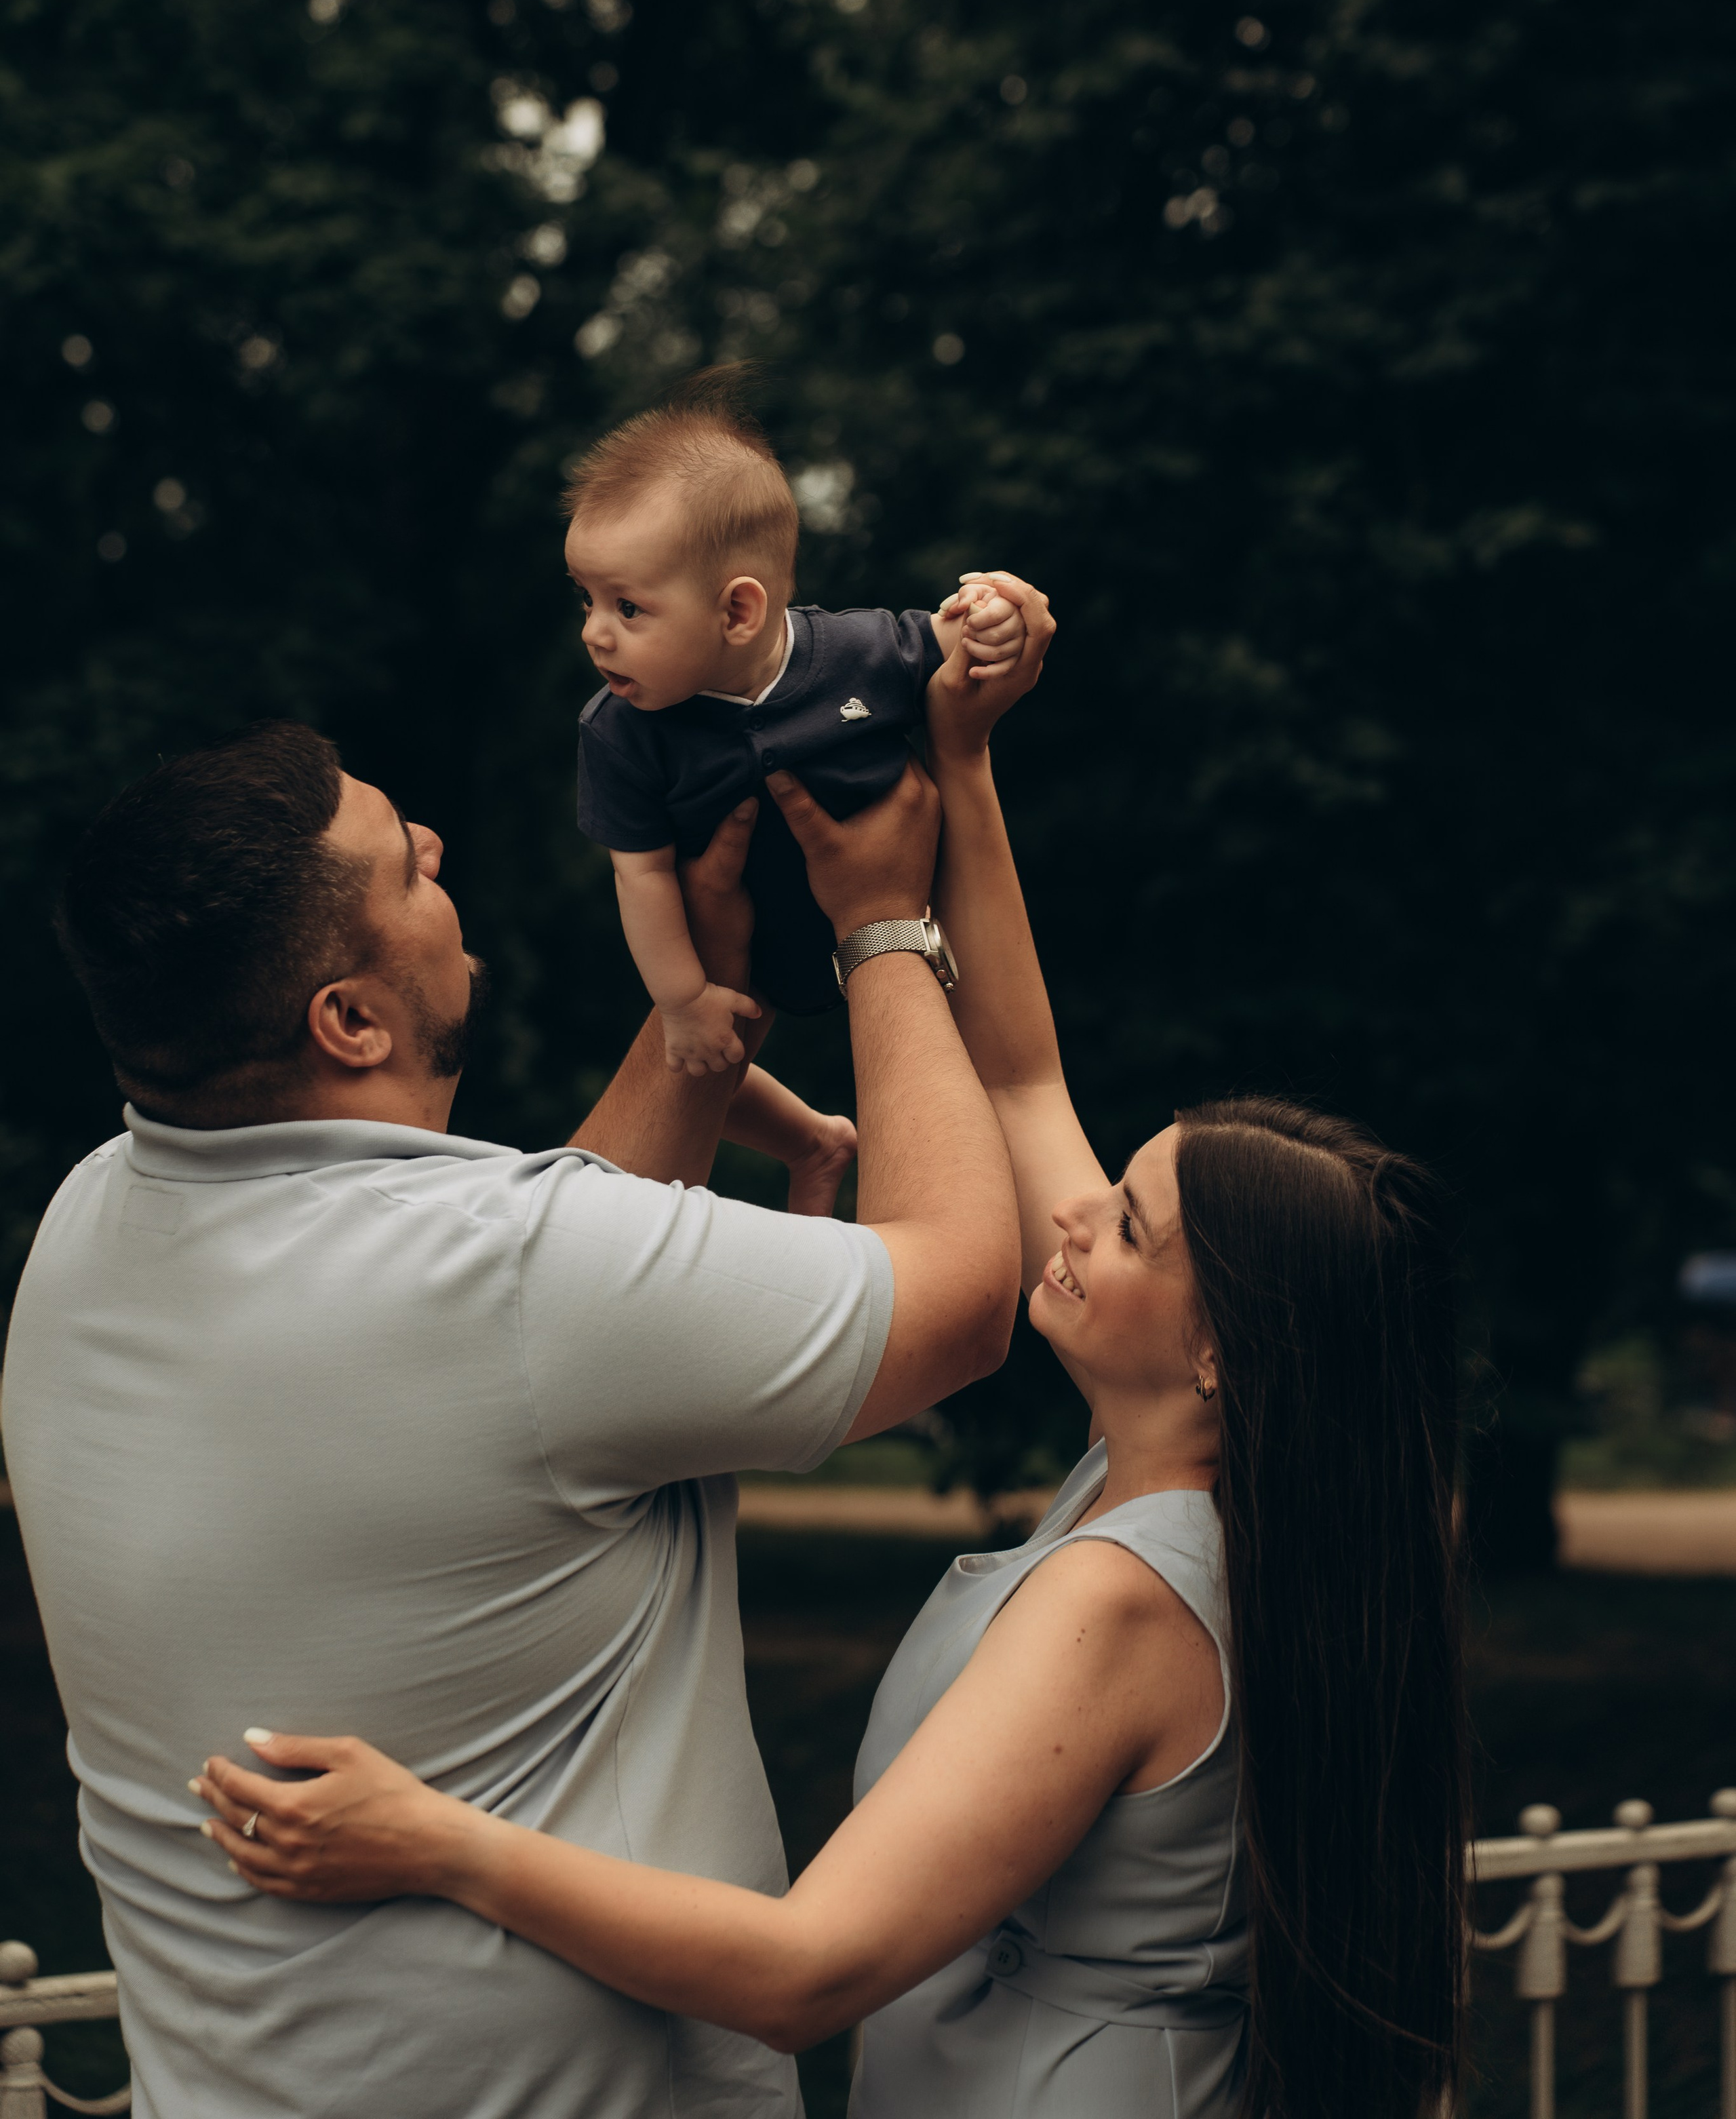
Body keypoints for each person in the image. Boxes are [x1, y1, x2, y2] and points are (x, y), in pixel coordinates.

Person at [193, 576, 1469, 2119]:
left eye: (1122, 1225)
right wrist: (963, 768)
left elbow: (806, 1965)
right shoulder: (1202, 1483)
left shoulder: (1122, 1597)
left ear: (1219, 1353)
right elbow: (1016, 1064)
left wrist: (433, 1836)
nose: (1064, 1220)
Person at [0, 696, 1025, 2119]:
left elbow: (522, 1353)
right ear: (348, 1019)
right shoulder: (515, 1279)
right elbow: (966, 1302)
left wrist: (703, 998)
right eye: (403, 866)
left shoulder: (90, 1226)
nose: (432, 841)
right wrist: (880, 928)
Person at [568, 375, 1025, 1216]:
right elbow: (642, 876)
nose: (595, 633)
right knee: (708, 1051)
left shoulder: (853, 652)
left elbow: (943, 634)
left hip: (913, 941)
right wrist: (683, 1001)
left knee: (966, 1085)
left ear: (738, 612)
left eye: (629, 608)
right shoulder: (620, 732)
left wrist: (990, 616)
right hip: (754, 957)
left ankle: (866, 1165)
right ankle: (814, 1138)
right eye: (588, 600)